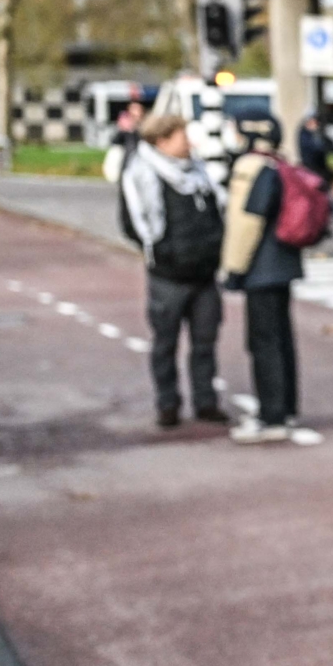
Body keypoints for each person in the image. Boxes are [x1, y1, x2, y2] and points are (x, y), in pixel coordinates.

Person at [119, 112, 227, 429]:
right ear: (162, 141)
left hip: (205, 275)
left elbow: (216, 213)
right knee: (165, 343)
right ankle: (168, 404)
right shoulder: (141, 175)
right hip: (169, 277)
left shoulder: (201, 174)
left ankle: (205, 401)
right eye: (182, 136)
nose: (189, 143)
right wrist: (164, 253)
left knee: (205, 343)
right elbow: (133, 223)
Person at [220, 116, 308, 444]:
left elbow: (246, 223)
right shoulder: (280, 164)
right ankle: (286, 408)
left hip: (260, 268)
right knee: (282, 339)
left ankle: (270, 417)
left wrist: (233, 268)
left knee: (263, 342)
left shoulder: (250, 168)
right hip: (284, 264)